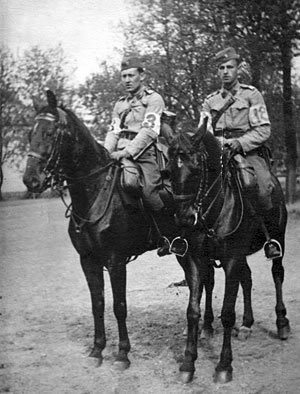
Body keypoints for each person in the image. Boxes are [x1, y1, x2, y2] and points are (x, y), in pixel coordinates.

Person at [200, 47, 281, 260]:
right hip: (218, 154)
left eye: (230, 67)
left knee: (262, 187)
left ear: (238, 69)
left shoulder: (251, 95)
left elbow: (263, 129)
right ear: (217, 72)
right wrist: (218, 144)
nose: (225, 71)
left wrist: (240, 142)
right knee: (193, 184)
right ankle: (193, 239)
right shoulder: (210, 101)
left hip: (248, 152)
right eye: (221, 68)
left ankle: (270, 237)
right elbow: (204, 132)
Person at [104, 54, 174, 255]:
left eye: (131, 75)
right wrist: (107, 151)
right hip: (119, 152)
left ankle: (169, 236)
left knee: (149, 191)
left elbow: (150, 131)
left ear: (141, 76)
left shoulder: (154, 99)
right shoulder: (120, 104)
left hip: (144, 153)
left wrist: (127, 152)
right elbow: (114, 130)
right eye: (123, 76)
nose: (126, 80)